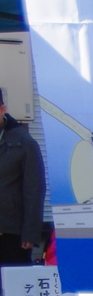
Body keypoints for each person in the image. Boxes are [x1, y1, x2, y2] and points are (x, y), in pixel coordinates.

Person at [0, 87, 44, 277]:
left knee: (11, 292)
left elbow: (34, 190)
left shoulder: (24, 142)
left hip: (12, 233)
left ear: (2, 110)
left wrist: (30, 233)